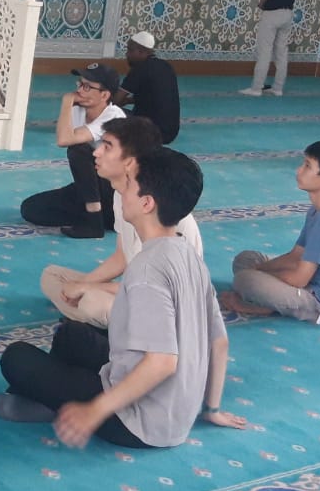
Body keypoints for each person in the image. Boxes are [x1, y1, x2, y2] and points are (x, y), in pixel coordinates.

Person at [0, 149, 248, 448]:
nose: (120, 190)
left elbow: (162, 363)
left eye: (128, 184)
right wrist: (212, 410)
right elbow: (219, 341)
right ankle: (51, 402)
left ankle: (52, 405)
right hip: (175, 411)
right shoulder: (187, 253)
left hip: (137, 422)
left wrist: (94, 411)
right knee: (71, 335)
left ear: (147, 203)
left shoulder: (147, 269)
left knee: (16, 357)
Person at [38, 116, 204, 327]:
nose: (96, 152)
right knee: (52, 276)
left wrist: (89, 288)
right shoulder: (121, 195)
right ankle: (97, 322)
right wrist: (81, 284)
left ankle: (102, 325)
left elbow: (159, 291)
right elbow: (122, 256)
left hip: (161, 309)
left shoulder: (166, 213)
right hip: (134, 292)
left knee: (91, 301)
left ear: (130, 161)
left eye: (107, 147)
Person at [219, 139, 320, 326]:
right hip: (314, 277)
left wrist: (260, 274)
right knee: (246, 259)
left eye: (307, 166)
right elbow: (296, 255)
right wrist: (260, 269)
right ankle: (270, 298)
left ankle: (267, 307)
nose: (299, 170)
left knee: (245, 280)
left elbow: (300, 279)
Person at [19, 62, 127, 238]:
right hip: (90, 187)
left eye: (87, 87)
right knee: (31, 209)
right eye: (79, 83)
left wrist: (66, 101)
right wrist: (69, 107)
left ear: (104, 95)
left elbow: (64, 140)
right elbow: (63, 137)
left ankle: (94, 222)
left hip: (115, 191)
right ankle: (99, 217)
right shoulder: (78, 111)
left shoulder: (114, 116)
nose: (79, 90)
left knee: (78, 149)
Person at [240, 0, 304, 97]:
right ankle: (278, 88)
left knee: (264, 51)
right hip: (287, 14)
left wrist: (261, 3)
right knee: (281, 52)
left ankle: (256, 88)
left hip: (272, 14)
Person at [119, 32, 180, 144]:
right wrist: (128, 101)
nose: (127, 54)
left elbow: (116, 100)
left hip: (149, 132)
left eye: (130, 50)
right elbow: (157, 96)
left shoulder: (140, 69)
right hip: (170, 132)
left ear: (141, 52)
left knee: (108, 114)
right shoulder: (166, 66)